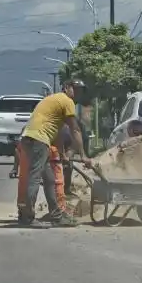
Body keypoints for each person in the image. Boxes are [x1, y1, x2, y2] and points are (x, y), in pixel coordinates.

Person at [16, 79, 91, 227]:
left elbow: (57, 133)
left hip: (31, 138)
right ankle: (27, 217)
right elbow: (74, 129)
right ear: (66, 88)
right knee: (35, 178)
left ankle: (56, 216)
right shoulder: (66, 101)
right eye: (75, 89)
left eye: (80, 91)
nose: (78, 93)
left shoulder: (53, 99)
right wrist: (83, 155)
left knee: (49, 179)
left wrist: (62, 154)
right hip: (38, 140)